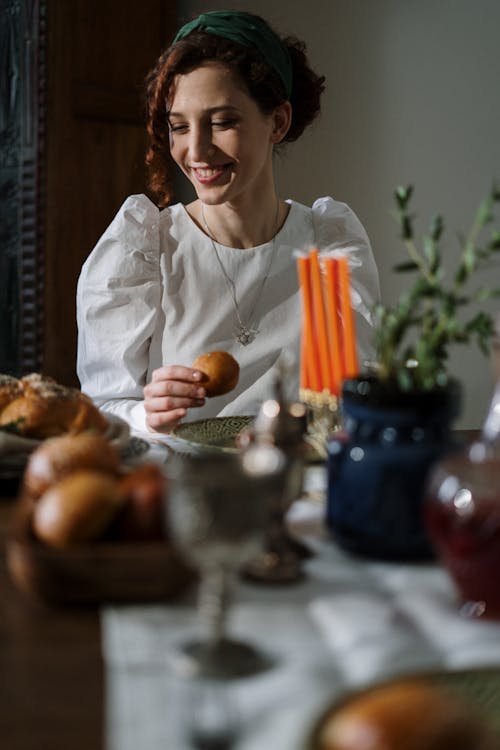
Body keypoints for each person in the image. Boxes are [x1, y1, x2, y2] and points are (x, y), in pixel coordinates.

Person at [76, 10, 380, 435]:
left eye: (222, 122)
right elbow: (104, 409)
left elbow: (356, 405)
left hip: (296, 488)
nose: (196, 150)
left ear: (278, 121)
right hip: (180, 487)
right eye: (178, 127)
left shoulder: (328, 245)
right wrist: (148, 413)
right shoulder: (143, 248)